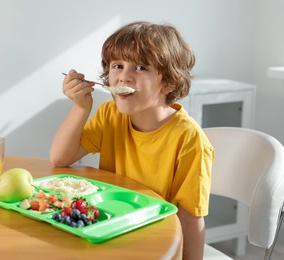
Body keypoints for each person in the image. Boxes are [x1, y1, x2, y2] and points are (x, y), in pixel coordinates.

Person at [50, 21, 214, 260]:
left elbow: (191, 220)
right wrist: (81, 106)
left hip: (157, 242)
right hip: (112, 231)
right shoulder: (110, 114)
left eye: (140, 67)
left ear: (168, 82)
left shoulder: (189, 139)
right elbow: (60, 158)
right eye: (118, 66)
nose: (123, 77)